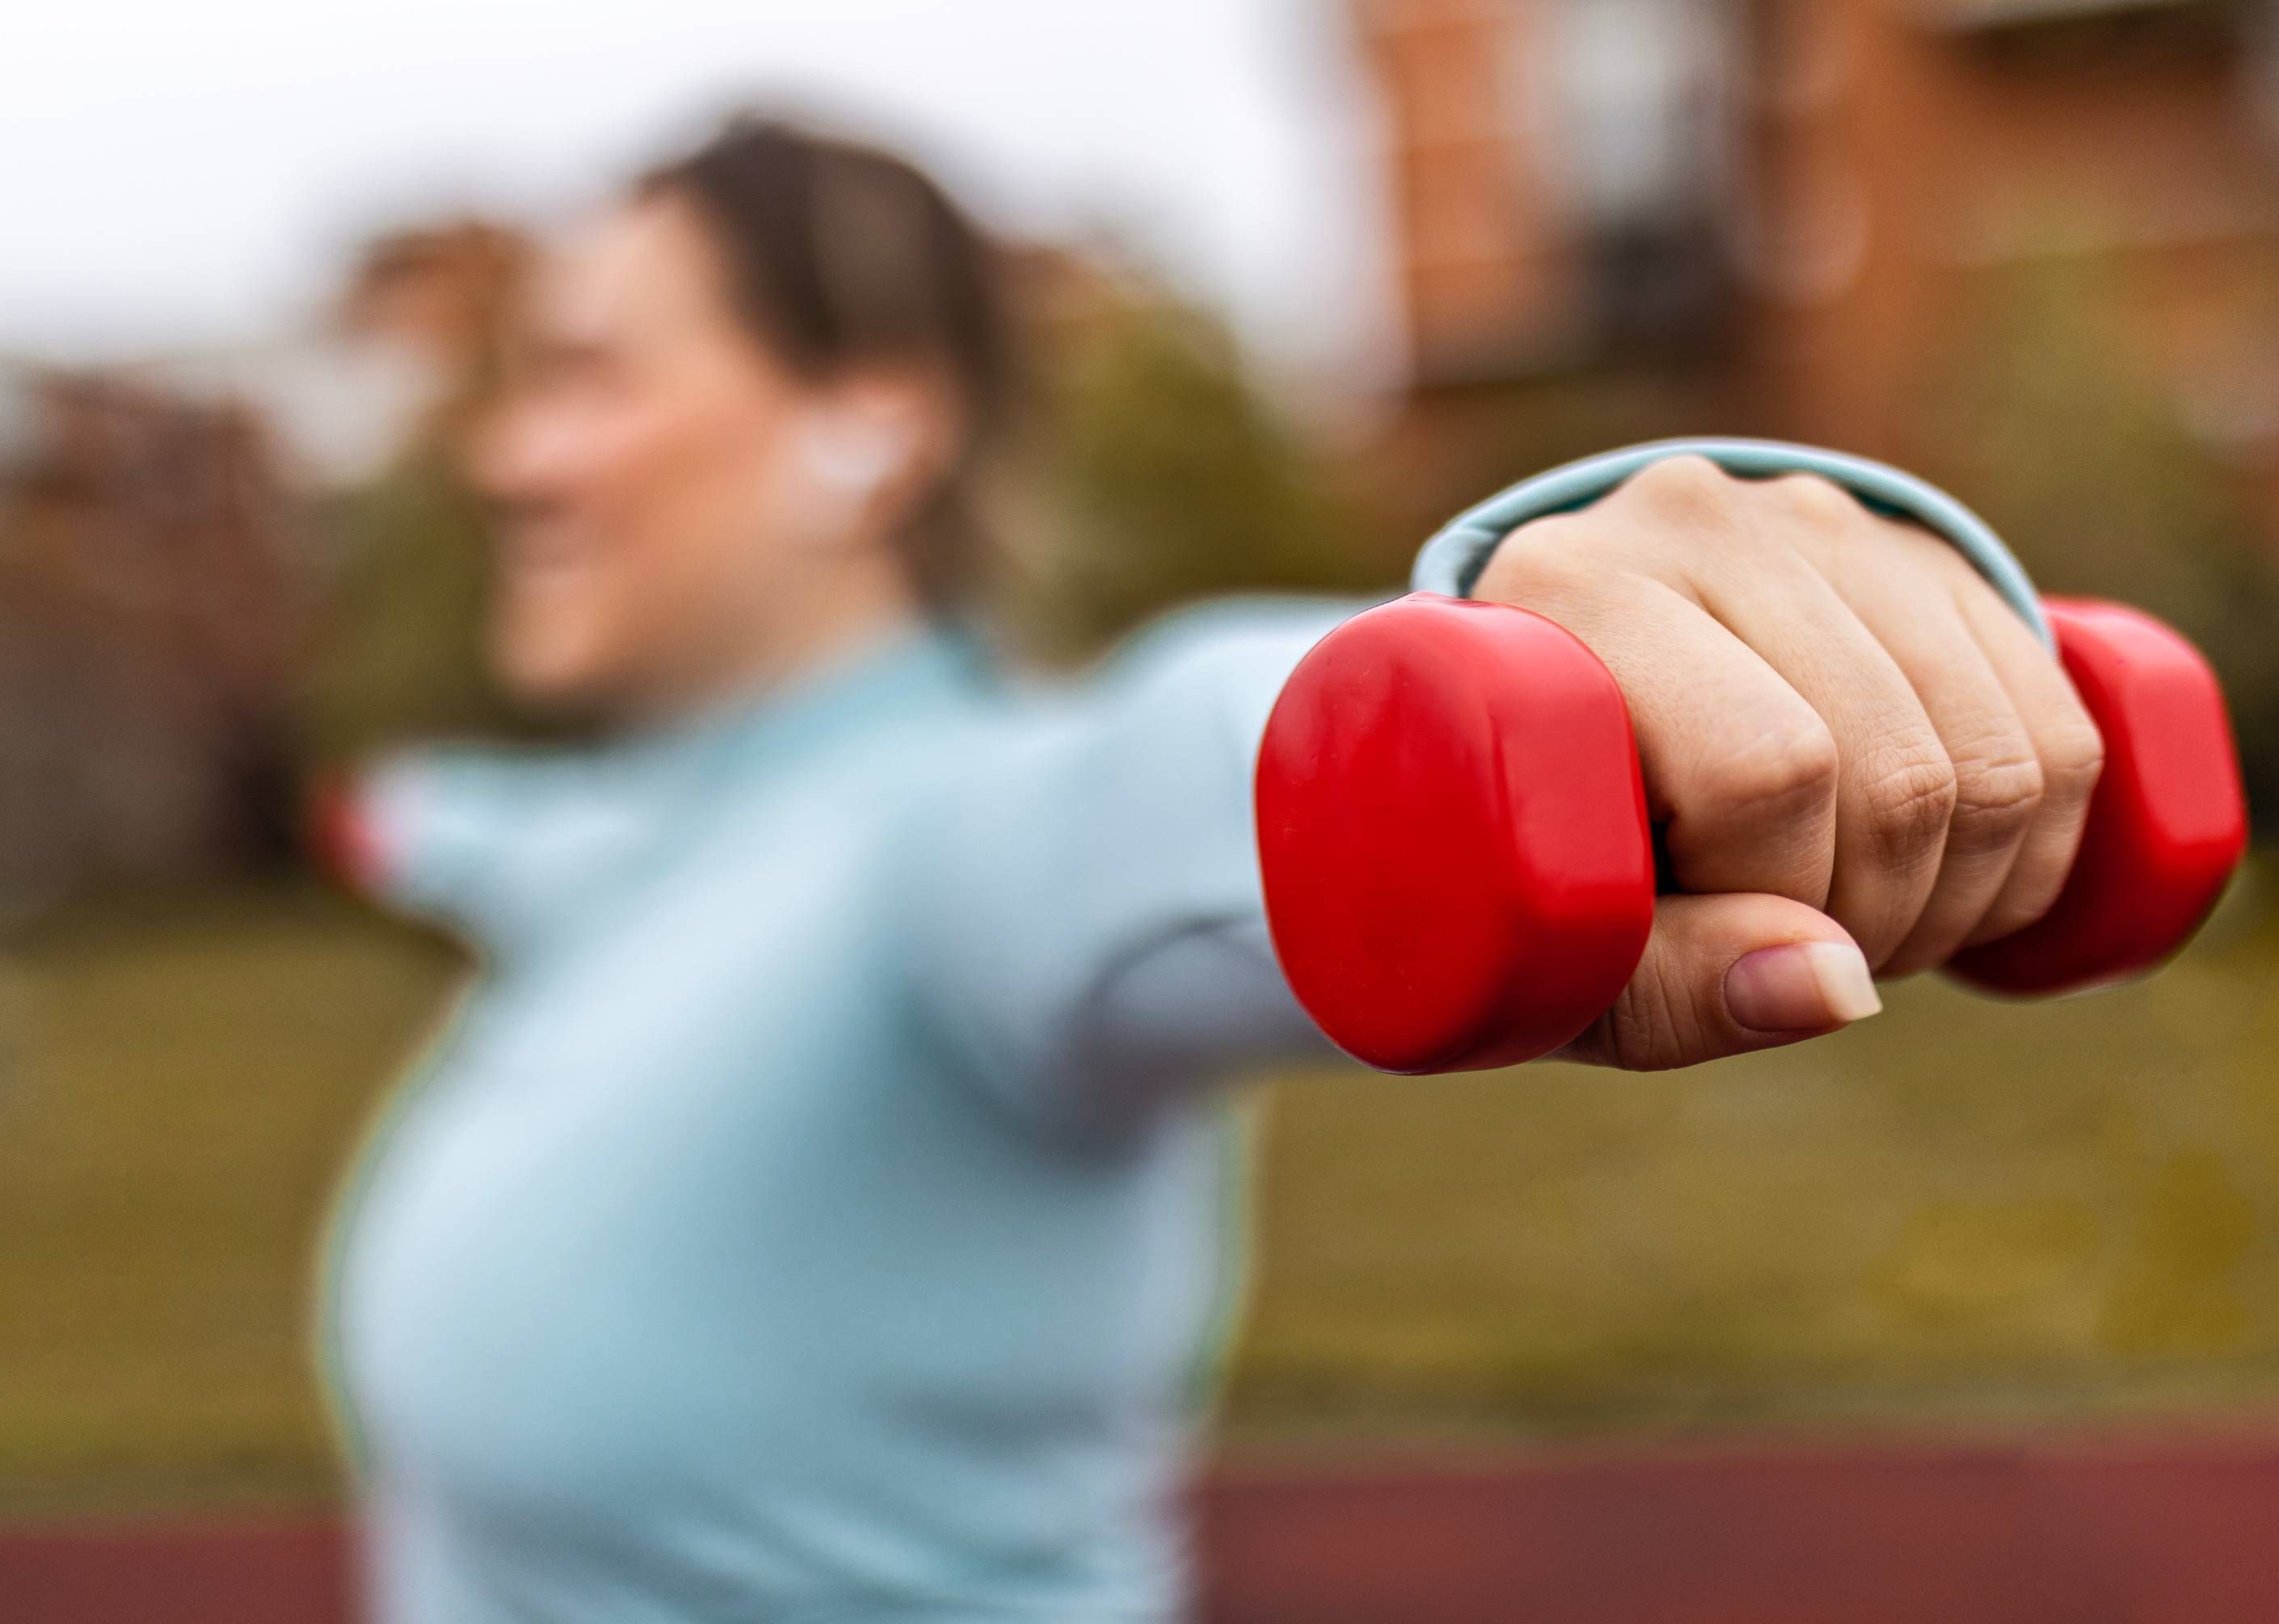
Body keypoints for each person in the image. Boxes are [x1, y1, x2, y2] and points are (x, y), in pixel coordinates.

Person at [318, 116, 2104, 1622]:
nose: (506, 456)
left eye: (587, 376)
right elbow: (516, 840)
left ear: (865, 428)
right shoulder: (632, 844)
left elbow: (1155, 794)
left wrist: (1499, 677)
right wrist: (407, 820)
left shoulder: (950, 840)